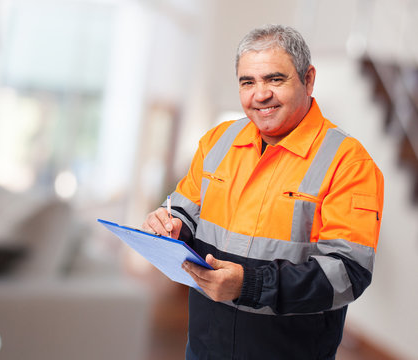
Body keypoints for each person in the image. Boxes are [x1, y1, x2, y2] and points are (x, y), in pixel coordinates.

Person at [143, 24, 384, 360]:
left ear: (308, 79)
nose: (260, 95)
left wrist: (250, 284)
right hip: (204, 346)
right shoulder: (217, 142)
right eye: (248, 82)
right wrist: (170, 225)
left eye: (275, 79)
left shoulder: (349, 163)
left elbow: (348, 274)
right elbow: (185, 209)